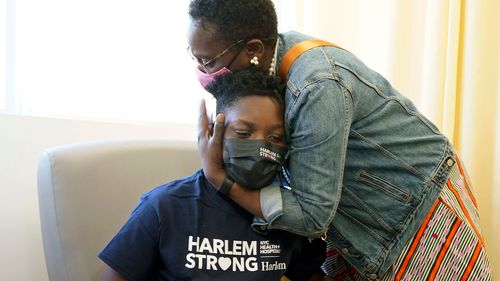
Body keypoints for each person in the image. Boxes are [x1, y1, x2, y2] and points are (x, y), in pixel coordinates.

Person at [188, 0, 492, 280]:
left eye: (208, 61)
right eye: (195, 58)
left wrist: (222, 181)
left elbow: (312, 214)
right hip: (366, 213)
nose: (203, 72)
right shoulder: (268, 65)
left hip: (416, 207)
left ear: (253, 49)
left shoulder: (316, 84)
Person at [98, 69, 326, 281]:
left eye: (275, 138)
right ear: (212, 134)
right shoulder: (165, 206)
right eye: (243, 133)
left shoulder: (285, 214)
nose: (260, 147)